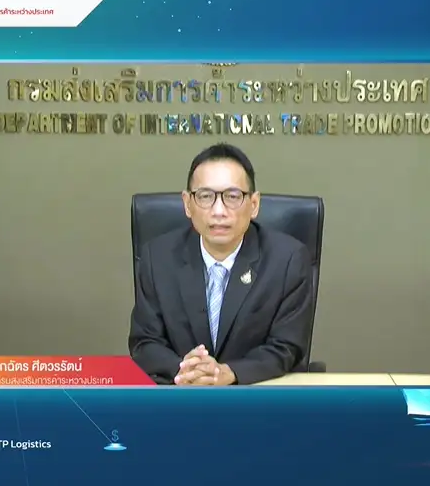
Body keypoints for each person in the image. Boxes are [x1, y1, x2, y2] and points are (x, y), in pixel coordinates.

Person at [128, 143, 314, 385]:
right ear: (187, 204)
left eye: (232, 197)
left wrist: (230, 373)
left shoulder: (288, 260)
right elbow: (144, 342)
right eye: (205, 196)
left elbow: (286, 346)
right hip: (180, 395)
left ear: (254, 204)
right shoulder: (157, 258)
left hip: (255, 396)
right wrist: (186, 371)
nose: (218, 211)